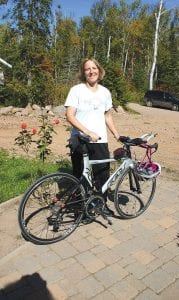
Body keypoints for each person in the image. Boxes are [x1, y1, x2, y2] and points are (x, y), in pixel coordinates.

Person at [64, 58, 120, 216]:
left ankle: (101, 205)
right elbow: (70, 116)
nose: (91, 71)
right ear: (83, 72)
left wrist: (117, 134)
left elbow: (107, 116)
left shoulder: (105, 92)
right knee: (80, 176)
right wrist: (87, 132)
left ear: (99, 70)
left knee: (102, 175)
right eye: (87, 69)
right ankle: (80, 209)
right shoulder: (76, 90)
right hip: (80, 140)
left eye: (94, 68)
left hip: (100, 141)